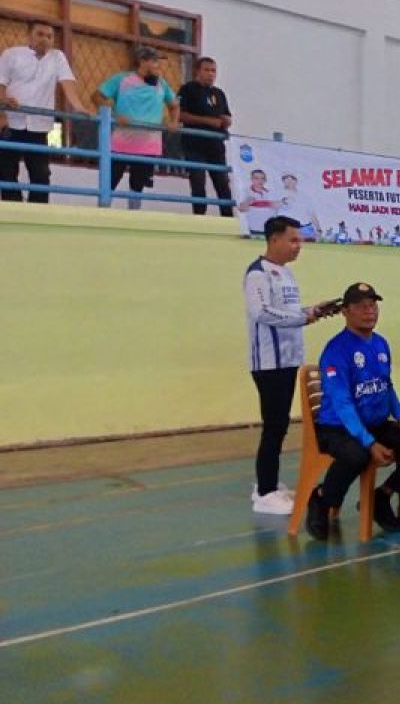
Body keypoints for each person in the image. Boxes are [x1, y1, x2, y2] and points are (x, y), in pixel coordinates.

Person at [307, 283, 400, 540]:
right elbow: (342, 403)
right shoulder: (336, 350)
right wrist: (370, 443)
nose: (369, 311)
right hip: (337, 426)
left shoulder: (380, 344)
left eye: (373, 305)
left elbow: (386, 386)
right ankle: (322, 499)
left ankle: (383, 495)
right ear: (345, 312)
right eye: (361, 306)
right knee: (357, 455)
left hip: (375, 423)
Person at [243, 216, 335, 515]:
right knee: (274, 425)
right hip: (269, 362)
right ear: (273, 239)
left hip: (288, 359)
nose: (299, 246)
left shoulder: (286, 274)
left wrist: (314, 311)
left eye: (300, 240)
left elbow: (291, 312)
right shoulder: (257, 274)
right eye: (293, 240)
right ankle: (264, 491)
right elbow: (262, 312)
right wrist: (300, 318)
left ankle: (268, 483)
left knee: (280, 425)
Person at [0, 20, 87, 203]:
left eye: (49, 36)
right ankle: (14, 211)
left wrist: (78, 106)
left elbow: (67, 82)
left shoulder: (57, 57)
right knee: (6, 172)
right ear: (29, 35)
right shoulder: (12, 54)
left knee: (41, 175)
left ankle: (36, 213)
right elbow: (1, 83)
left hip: (39, 127)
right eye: (40, 34)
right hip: (10, 123)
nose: (45, 39)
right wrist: (3, 103)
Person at [94, 47, 180, 210]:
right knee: (109, 182)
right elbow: (97, 96)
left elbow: (174, 105)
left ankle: (133, 217)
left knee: (137, 186)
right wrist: (114, 116)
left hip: (148, 147)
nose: (157, 65)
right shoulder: (122, 79)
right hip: (121, 144)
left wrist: (173, 121)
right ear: (142, 62)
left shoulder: (161, 84)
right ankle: (101, 215)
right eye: (154, 61)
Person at [177, 57, 233, 217]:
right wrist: (207, 121)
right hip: (194, 145)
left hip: (215, 146)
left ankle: (228, 219)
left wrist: (226, 121)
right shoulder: (187, 89)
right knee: (198, 182)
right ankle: (200, 218)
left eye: (213, 70)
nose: (210, 74)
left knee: (222, 183)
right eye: (206, 70)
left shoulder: (219, 93)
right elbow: (180, 115)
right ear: (197, 71)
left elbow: (226, 116)